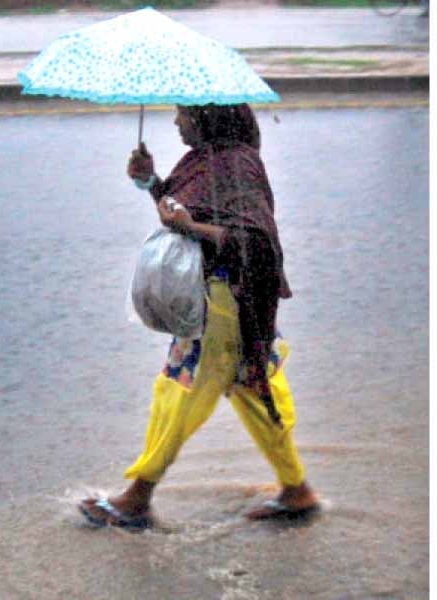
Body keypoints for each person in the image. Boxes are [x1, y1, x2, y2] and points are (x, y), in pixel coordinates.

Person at [78, 103, 319, 529]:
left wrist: (191, 228)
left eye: (183, 115)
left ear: (206, 119)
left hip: (222, 309)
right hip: (231, 305)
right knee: (256, 393)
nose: (176, 122)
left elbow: (254, 241)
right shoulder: (206, 160)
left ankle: (136, 498)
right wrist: (151, 183)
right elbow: (187, 211)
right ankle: (296, 489)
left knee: (179, 396)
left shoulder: (237, 165)